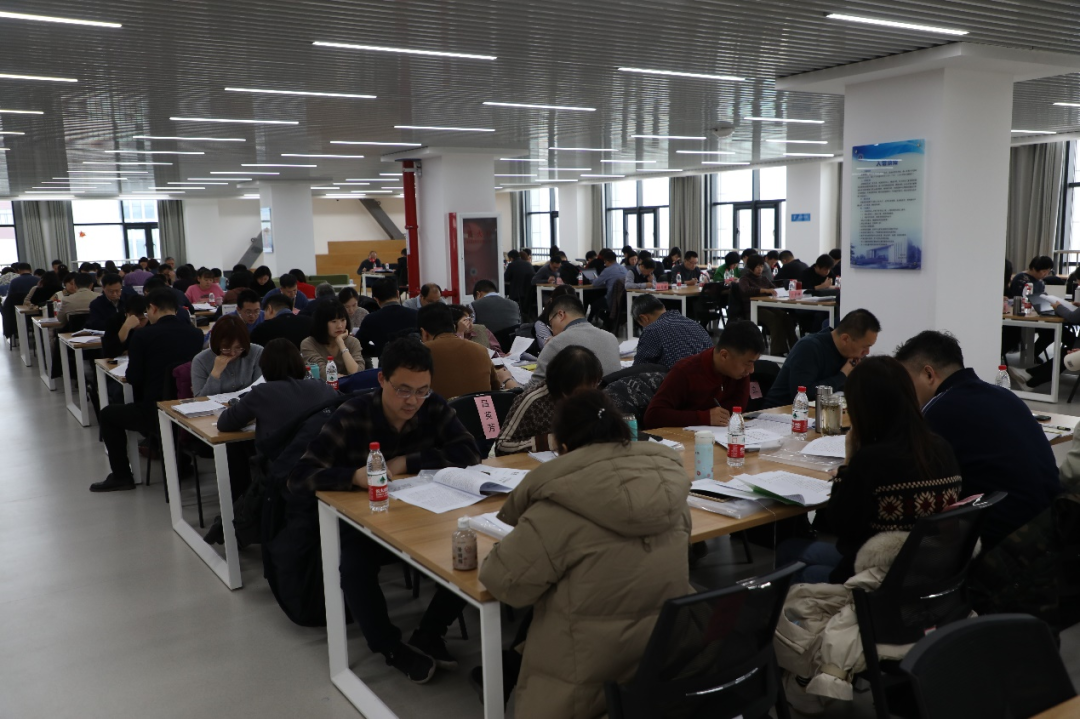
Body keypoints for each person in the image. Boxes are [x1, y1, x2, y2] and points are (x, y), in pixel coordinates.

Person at [480, 390, 691, 717]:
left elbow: (504, 583)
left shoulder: (556, 510)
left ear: (563, 448)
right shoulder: (671, 494)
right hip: (661, 665)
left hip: (583, 682)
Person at [290, 338, 481, 682]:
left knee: (471, 548)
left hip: (422, 514)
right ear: (382, 379)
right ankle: (389, 647)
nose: (412, 401)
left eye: (422, 391)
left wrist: (407, 461)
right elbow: (300, 476)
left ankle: (430, 632)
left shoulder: (432, 406)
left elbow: (469, 451)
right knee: (355, 567)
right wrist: (353, 476)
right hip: (365, 520)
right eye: (403, 390)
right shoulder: (352, 415)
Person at [777, 356, 962, 584]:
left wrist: (848, 464)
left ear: (863, 408)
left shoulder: (871, 461)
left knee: (790, 558)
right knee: (791, 550)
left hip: (876, 578)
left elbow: (840, 526)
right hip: (930, 568)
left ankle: (792, 605)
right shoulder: (941, 447)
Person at [895, 330, 1061, 548]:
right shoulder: (1005, 395)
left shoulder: (939, 409)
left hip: (1002, 544)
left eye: (907, 382)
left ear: (928, 374)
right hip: (1051, 527)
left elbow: (908, 476)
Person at [91, 289, 205, 492]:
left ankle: (122, 475)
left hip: (155, 410)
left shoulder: (143, 336)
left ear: (152, 308)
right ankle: (178, 460)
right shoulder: (196, 334)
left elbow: (133, 378)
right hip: (187, 408)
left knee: (108, 415)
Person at [217, 338, 340, 445]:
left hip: (283, 461)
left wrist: (254, 415)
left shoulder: (261, 393)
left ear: (265, 368)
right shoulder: (322, 387)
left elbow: (224, 423)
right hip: (323, 457)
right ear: (299, 363)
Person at [643, 320, 764, 429]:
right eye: (748, 363)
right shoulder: (685, 371)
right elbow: (652, 416)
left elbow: (735, 409)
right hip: (683, 440)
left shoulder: (739, 373)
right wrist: (704, 417)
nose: (751, 370)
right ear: (724, 355)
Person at [495, 346, 603, 455]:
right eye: (579, 391)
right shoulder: (533, 401)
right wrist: (551, 441)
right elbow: (502, 446)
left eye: (594, 385)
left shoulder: (592, 396)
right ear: (563, 384)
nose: (588, 394)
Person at [763, 309, 881, 407]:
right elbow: (803, 394)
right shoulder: (809, 348)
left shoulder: (853, 356)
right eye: (865, 347)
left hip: (819, 416)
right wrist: (843, 375)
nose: (867, 352)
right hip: (780, 415)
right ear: (845, 339)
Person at [419, 303, 515, 398]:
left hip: (443, 408)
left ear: (424, 333)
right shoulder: (481, 350)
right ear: (454, 327)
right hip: (481, 407)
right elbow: (495, 388)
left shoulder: (421, 354)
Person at [529, 294, 621, 386]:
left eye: (551, 323)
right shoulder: (611, 338)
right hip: (611, 394)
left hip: (579, 395)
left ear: (561, 315)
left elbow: (534, 386)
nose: (552, 330)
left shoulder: (556, 343)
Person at [630, 294, 713, 370]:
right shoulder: (694, 324)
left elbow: (638, 368)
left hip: (679, 380)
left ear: (644, 318)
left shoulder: (652, 330)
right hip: (708, 377)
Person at [190, 315, 264, 396]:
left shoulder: (257, 352)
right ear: (216, 343)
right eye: (226, 348)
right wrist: (216, 372)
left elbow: (261, 390)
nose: (232, 353)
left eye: (238, 348)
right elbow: (200, 399)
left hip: (249, 403)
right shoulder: (200, 360)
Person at [740, 254, 799, 354]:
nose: (760, 269)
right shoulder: (745, 279)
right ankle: (777, 352)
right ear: (751, 268)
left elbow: (774, 288)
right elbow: (745, 290)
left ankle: (795, 348)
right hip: (753, 309)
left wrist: (782, 292)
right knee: (775, 320)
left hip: (767, 306)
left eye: (761, 266)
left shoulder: (764, 278)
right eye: (757, 267)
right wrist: (764, 290)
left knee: (786, 317)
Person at [301, 299, 365, 378]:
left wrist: (341, 344)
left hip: (349, 385)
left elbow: (357, 372)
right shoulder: (309, 344)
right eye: (334, 321)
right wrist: (347, 379)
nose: (340, 326)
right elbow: (322, 373)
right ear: (322, 323)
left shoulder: (353, 342)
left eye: (343, 320)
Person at [356, 279, 419, 357]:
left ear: (376, 299)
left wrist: (379, 351)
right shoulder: (416, 315)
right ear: (398, 293)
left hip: (385, 361)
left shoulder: (370, 319)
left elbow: (359, 345)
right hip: (414, 360)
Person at [532, 284, 577, 351]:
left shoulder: (577, 320)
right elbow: (549, 350)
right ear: (552, 301)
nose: (565, 310)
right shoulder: (542, 323)